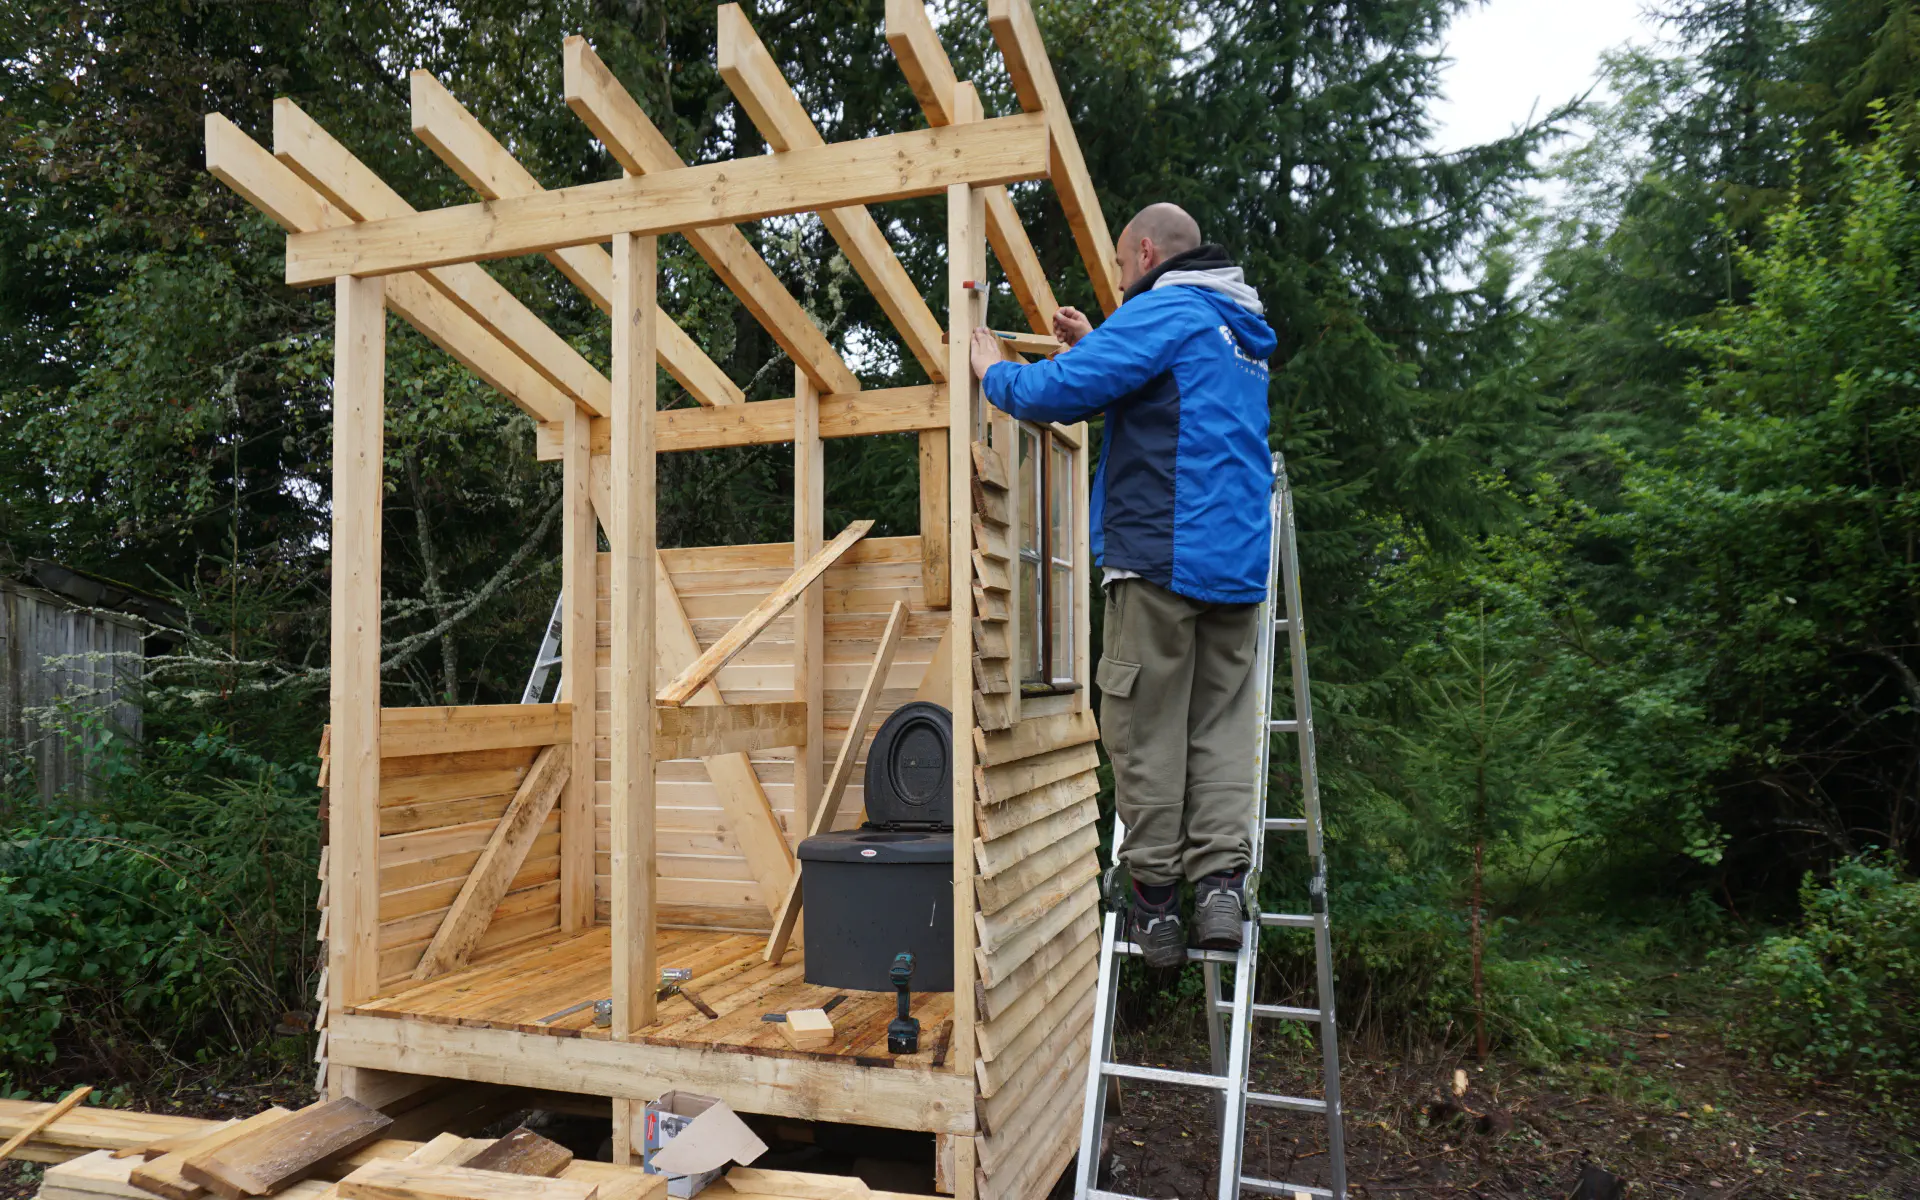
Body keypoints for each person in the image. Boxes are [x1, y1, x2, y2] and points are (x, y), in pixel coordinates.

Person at [969, 202, 1278, 969]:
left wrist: (993, 372)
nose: (1118, 280)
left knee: (1144, 725)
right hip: (1237, 568)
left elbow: (1059, 392)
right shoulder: (1237, 328)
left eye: (1117, 267)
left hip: (1163, 558)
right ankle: (1220, 887)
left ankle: (1156, 901)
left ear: (1144, 252)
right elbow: (1166, 393)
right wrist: (1098, 340)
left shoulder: (1170, 307)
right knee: (1220, 727)